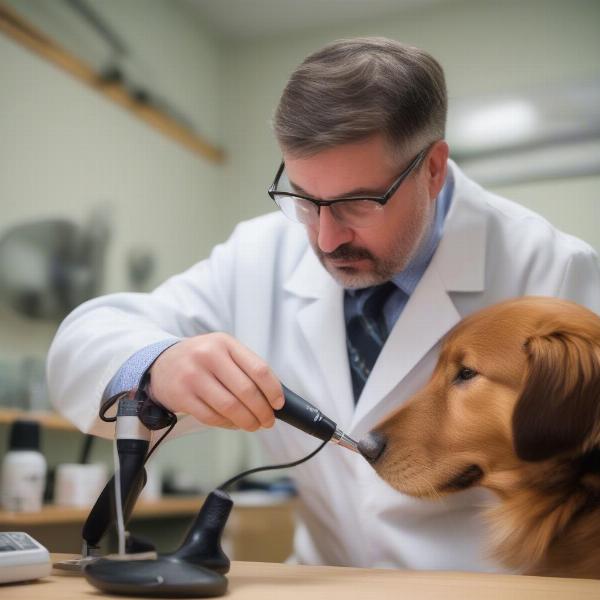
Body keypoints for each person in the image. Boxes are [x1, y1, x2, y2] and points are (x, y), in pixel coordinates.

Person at [47, 37, 600, 571]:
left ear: (432, 169)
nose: (327, 239)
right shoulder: (259, 253)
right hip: (322, 582)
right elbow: (89, 337)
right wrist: (158, 364)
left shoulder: (551, 266)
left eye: (358, 203)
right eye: (305, 199)